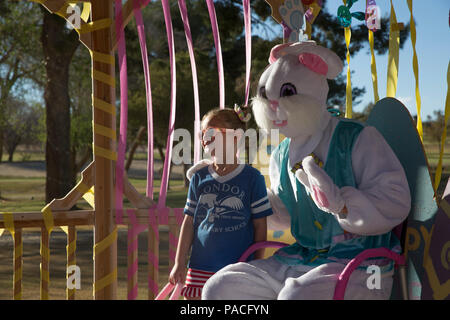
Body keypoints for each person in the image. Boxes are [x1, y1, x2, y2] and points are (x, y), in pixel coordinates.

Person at [169, 105, 273, 300]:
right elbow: (189, 222)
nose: (205, 138)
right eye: (202, 133)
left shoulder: (253, 178)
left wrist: (257, 265)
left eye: (212, 131)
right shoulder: (198, 178)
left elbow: (260, 226)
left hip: (237, 270)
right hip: (199, 267)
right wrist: (179, 263)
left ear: (236, 137)